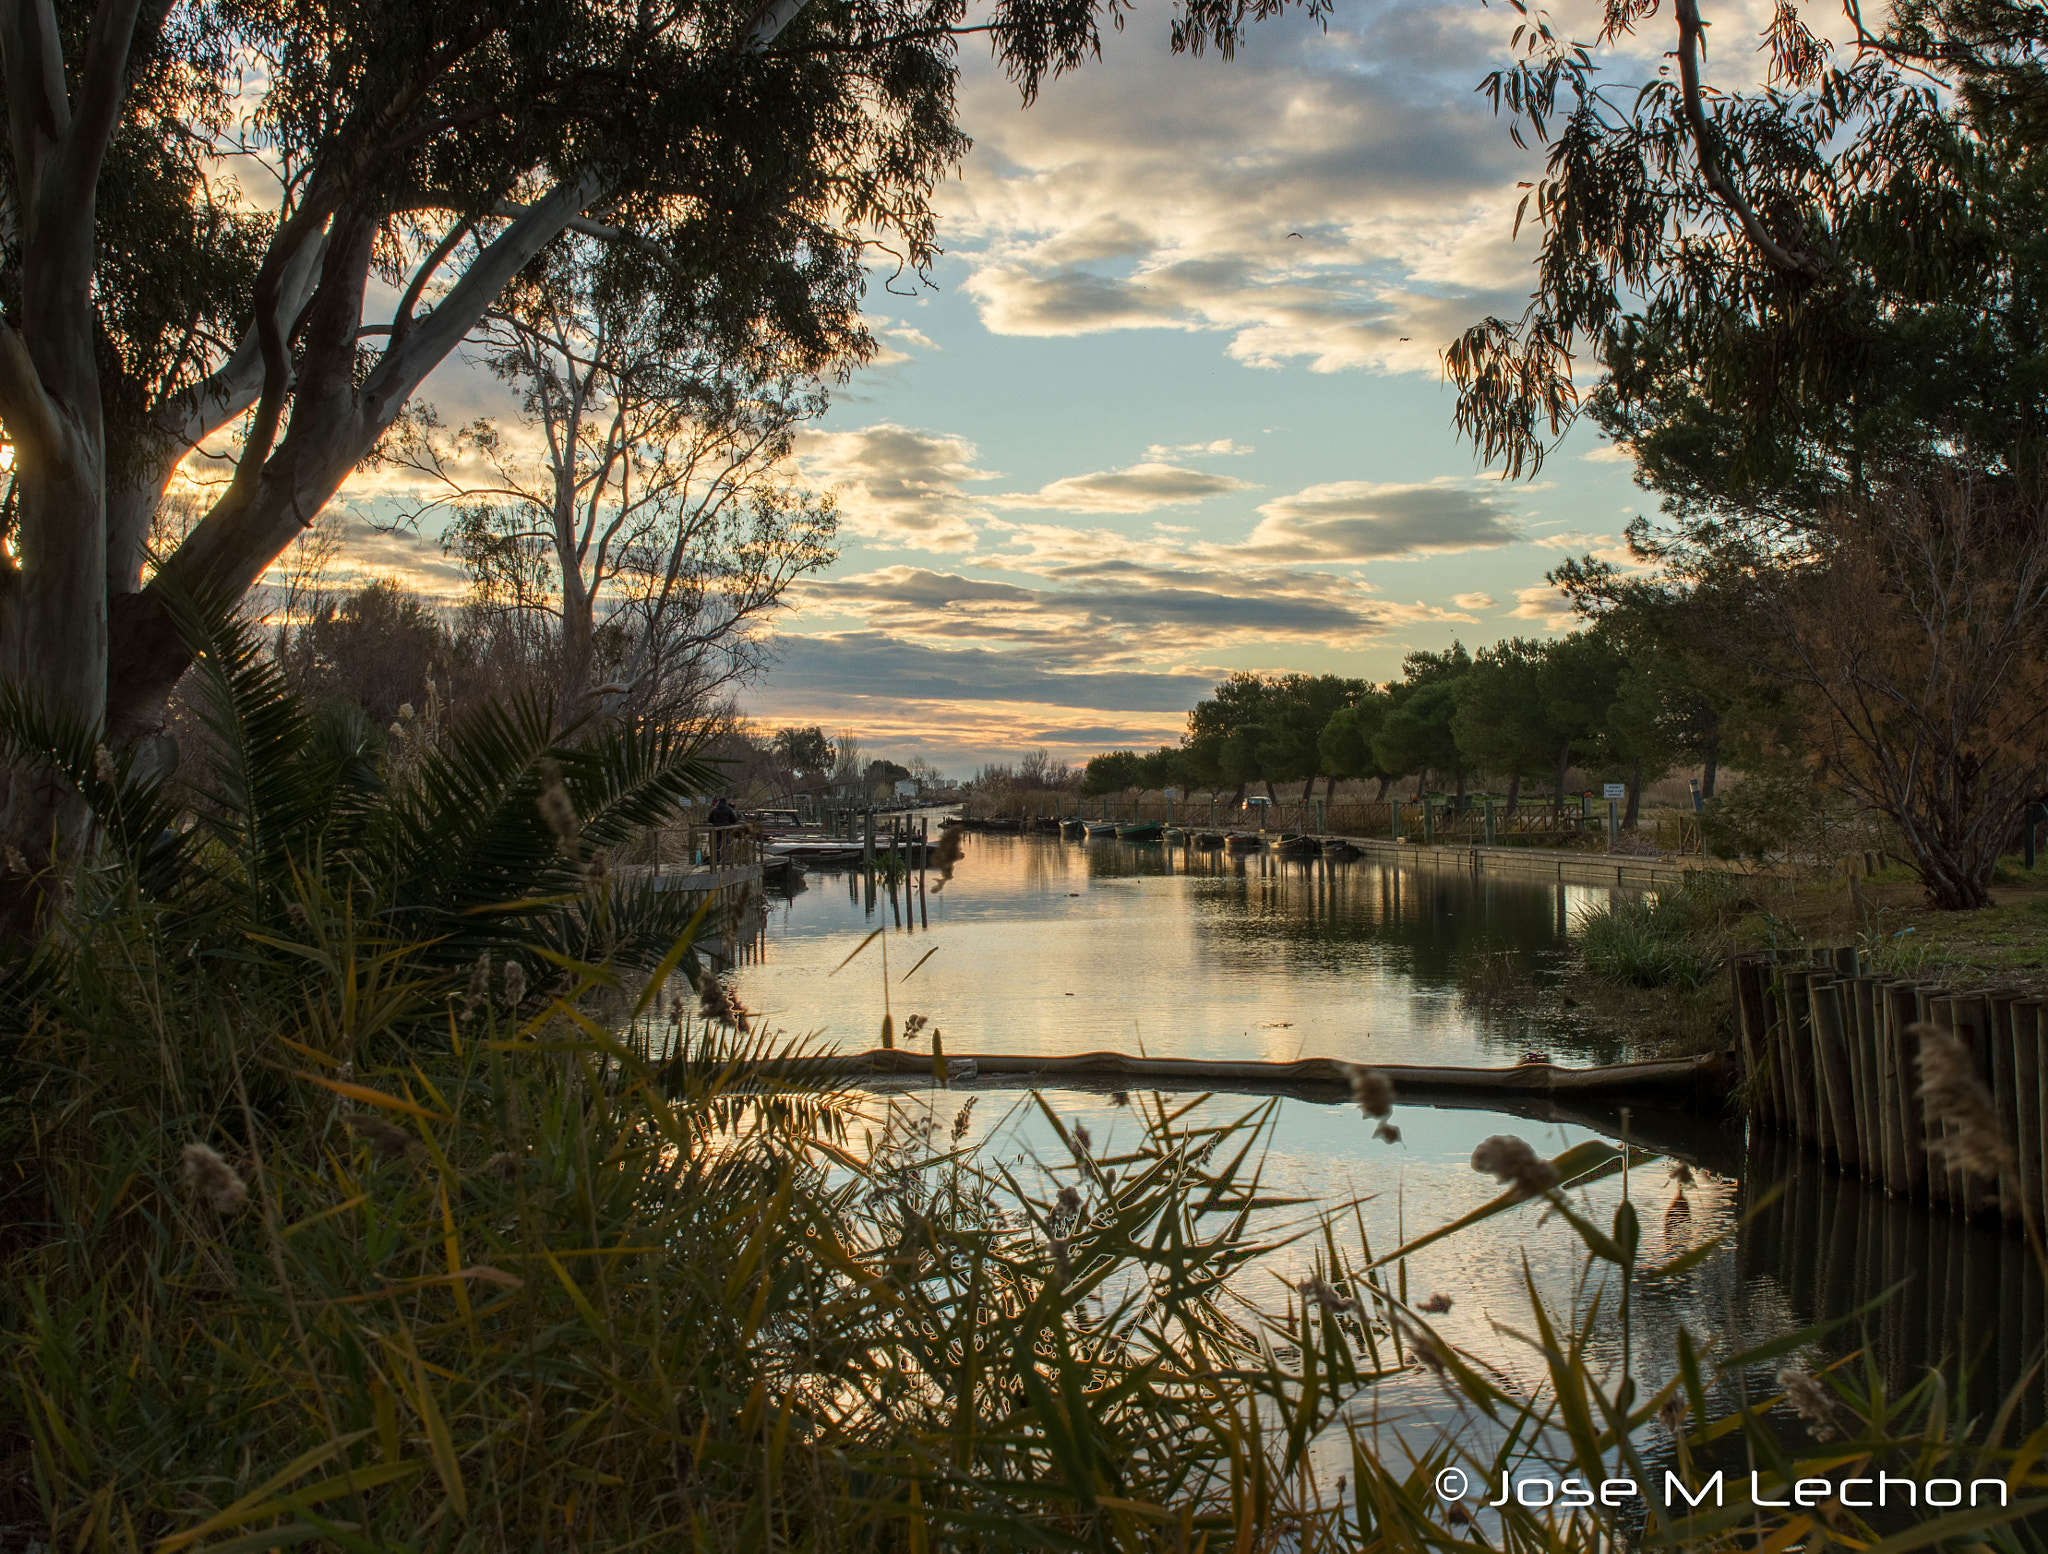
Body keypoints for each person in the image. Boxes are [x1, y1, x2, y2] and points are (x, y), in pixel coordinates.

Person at [705, 795, 740, 863]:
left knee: (717, 844)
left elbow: (709, 819)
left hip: (716, 829)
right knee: (725, 844)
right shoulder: (729, 810)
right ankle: (724, 859)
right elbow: (735, 820)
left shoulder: (715, 810)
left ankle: (717, 859)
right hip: (726, 830)